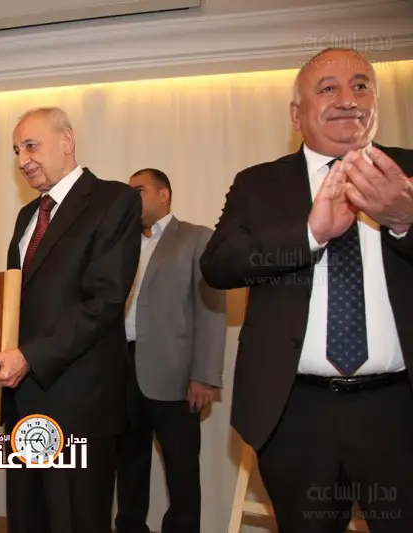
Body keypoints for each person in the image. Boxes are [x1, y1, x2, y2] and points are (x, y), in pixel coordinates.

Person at [200, 47, 413, 532]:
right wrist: (310, 234)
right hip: (295, 414)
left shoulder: (407, 175)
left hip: (399, 409)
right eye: (328, 88)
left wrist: (405, 221)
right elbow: (218, 264)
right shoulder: (258, 184)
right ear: (297, 115)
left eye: (361, 86)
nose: (347, 99)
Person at [0, 107, 142, 533]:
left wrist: (29, 356)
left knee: (75, 520)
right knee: (27, 519)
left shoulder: (114, 200)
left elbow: (104, 299)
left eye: (31, 146)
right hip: (23, 399)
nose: (22, 160)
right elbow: (39, 291)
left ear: (67, 140)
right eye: (16, 150)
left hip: (78, 403)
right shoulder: (28, 214)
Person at [115, 168, 227, 533]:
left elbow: (211, 309)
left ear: (164, 194)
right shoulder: (121, 244)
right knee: (129, 463)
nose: (131, 198)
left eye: (139, 190)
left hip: (175, 376)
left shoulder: (196, 238)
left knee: (181, 468)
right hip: (122, 369)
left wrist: (205, 375)